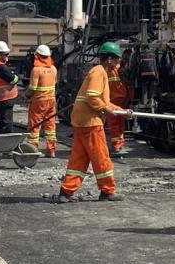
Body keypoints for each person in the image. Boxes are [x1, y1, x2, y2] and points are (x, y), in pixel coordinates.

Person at [56, 42, 130, 203]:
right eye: (117, 60)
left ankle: (66, 192)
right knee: (101, 157)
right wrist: (107, 110)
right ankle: (107, 191)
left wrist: (122, 111)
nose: (118, 63)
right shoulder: (99, 73)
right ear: (109, 59)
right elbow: (92, 97)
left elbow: (104, 101)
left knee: (79, 158)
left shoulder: (98, 72)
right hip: (90, 122)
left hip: (81, 120)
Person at [27, 44, 58, 157]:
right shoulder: (53, 69)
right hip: (52, 101)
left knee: (34, 126)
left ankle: (32, 150)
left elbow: (32, 88)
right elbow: (54, 84)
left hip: (39, 101)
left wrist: (27, 95)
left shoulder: (36, 70)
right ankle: (51, 151)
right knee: (50, 127)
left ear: (37, 56)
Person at [0, 41, 19, 135]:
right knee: (7, 122)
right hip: (7, 98)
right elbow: (13, 80)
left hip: (2, 98)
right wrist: (15, 76)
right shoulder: (1, 67)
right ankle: (6, 140)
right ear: (0, 55)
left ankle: (1, 138)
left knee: (3, 120)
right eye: (6, 54)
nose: (7, 56)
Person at [106, 58, 133, 154]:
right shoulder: (122, 70)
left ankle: (116, 146)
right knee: (120, 123)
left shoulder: (109, 71)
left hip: (113, 100)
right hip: (122, 99)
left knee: (114, 124)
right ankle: (119, 144)